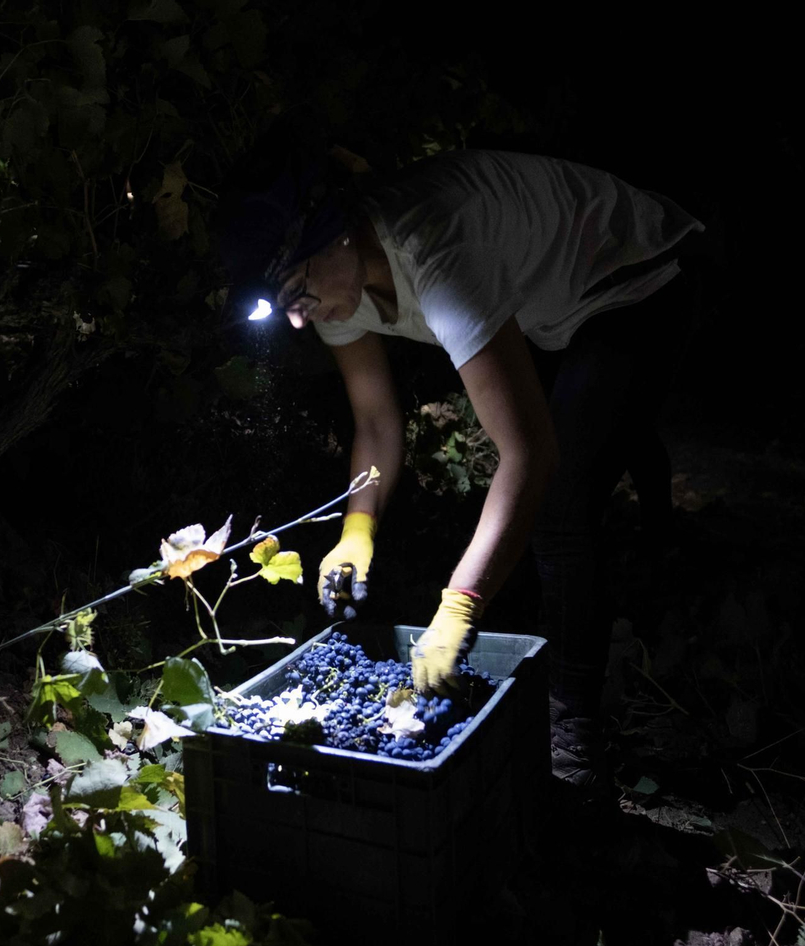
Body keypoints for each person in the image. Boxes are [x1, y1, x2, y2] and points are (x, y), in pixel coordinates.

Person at [217, 127, 708, 801]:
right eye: (286, 303)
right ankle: (633, 448)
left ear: (337, 235)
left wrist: (462, 604)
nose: (299, 320)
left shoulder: (435, 253)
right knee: (579, 430)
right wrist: (356, 531)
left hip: (636, 277)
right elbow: (376, 421)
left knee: (560, 501)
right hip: (547, 303)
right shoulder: (334, 281)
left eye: (298, 291)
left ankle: (577, 739)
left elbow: (525, 455)